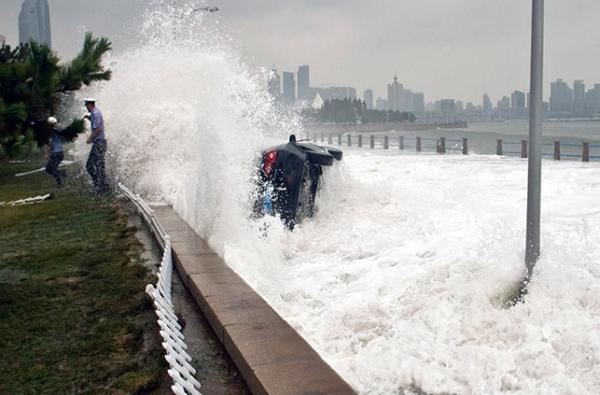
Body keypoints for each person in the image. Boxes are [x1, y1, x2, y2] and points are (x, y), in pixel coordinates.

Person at [84, 98, 109, 195]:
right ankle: (101, 187)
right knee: (98, 167)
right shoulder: (95, 114)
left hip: (99, 143)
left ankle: (101, 187)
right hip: (99, 143)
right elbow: (97, 124)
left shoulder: (95, 113)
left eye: (86, 105)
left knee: (92, 166)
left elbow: (98, 129)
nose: (86, 107)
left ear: (90, 105)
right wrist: (88, 118)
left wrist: (90, 138)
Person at [45, 117, 66, 186]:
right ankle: (61, 175)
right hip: (57, 153)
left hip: (57, 153)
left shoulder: (56, 130)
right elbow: (51, 143)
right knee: (50, 169)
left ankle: (60, 176)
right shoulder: (54, 131)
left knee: (50, 169)